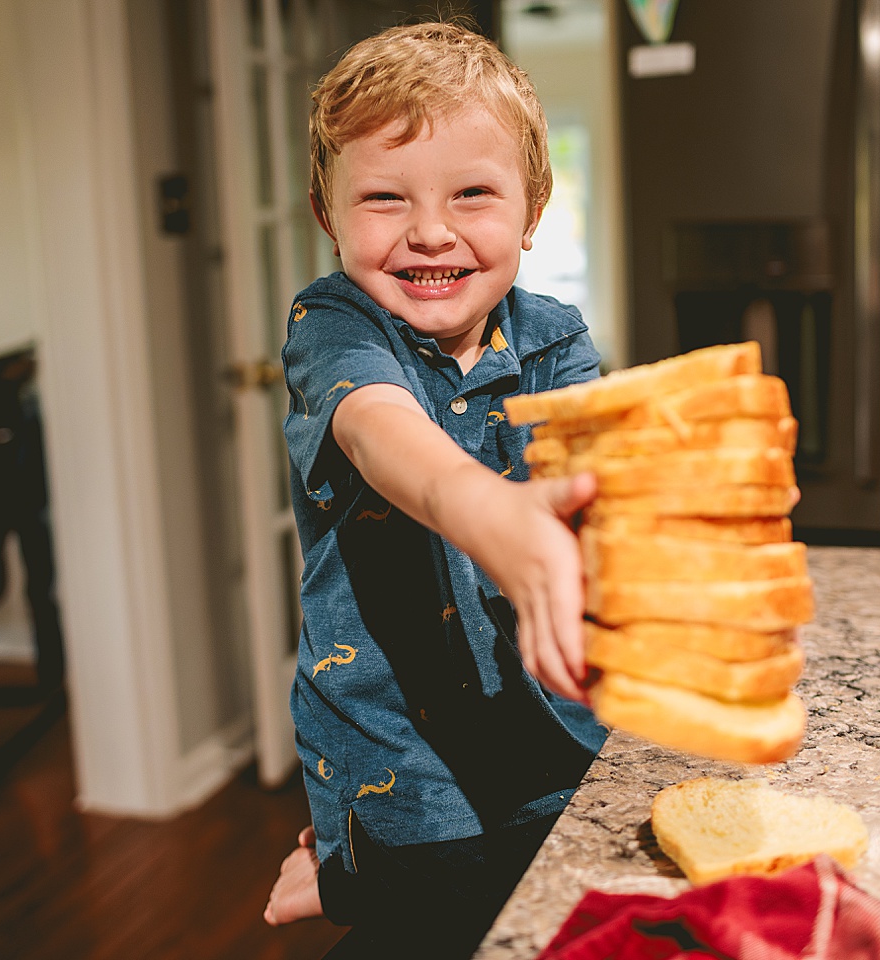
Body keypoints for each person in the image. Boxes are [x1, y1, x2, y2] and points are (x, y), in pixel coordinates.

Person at [264, 20, 607, 957]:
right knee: (432, 915)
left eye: (472, 194)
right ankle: (356, 871)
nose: (429, 231)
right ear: (326, 215)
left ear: (532, 209)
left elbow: (609, 489)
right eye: (383, 197)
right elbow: (383, 433)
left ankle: (342, 876)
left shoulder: (555, 338)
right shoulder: (333, 326)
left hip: (556, 741)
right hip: (405, 772)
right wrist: (487, 506)